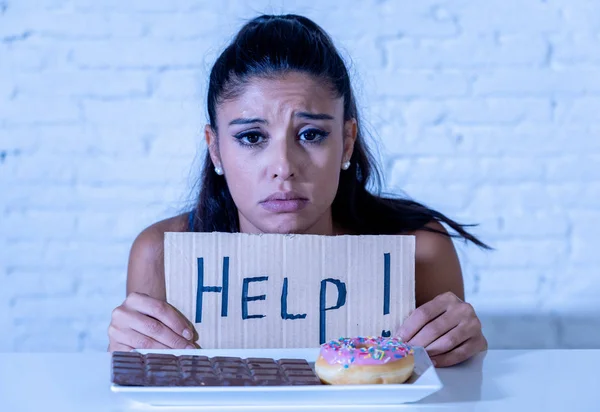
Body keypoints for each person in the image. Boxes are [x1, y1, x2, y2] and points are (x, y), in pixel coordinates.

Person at [107, 14, 490, 367]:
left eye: (311, 134)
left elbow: (441, 392)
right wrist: (129, 353)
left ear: (346, 141)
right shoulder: (160, 254)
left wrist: (460, 352)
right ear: (215, 148)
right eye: (252, 137)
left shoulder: (420, 251)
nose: (284, 167)